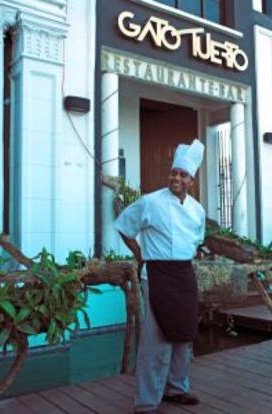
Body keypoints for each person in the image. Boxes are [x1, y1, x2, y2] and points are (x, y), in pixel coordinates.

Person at [115, 139, 206, 414]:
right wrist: (140, 254)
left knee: (183, 334)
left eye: (183, 175)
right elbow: (124, 226)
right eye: (174, 173)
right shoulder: (150, 202)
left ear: (191, 179)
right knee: (155, 340)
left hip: (184, 274)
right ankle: (146, 402)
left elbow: (197, 240)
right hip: (157, 275)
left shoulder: (197, 210)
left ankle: (177, 388)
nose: (176, 178)